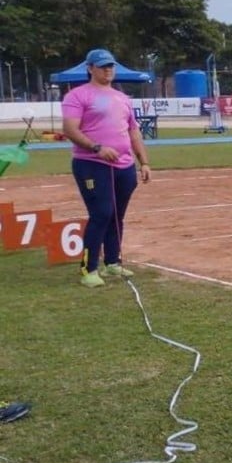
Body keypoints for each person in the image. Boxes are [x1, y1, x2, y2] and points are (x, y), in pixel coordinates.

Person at [61, 49, 152, 288]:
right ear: (90, 68)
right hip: (91, 164)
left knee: (116, 215)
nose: (108, 70)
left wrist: (144, 162)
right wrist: (96, 148)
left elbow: (133, 131)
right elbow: (71, 129)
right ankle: (89, 268)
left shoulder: (122, 98)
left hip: (124, 165)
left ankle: (113, 262)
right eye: (102, 66)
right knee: (101, 213)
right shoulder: (77, 96)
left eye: (110, 66)